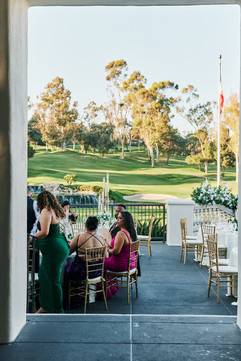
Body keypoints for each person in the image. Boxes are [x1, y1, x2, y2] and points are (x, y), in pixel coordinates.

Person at [29, 191, 70, 313]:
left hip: (53, 250)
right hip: (58, 247)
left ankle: (52, 308)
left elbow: (45, 232)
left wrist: (31, 239)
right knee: (49, 277)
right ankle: (49, 307)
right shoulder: (55, 211)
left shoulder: (46, 211)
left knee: (50, 279)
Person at [63, 216, 105, 309]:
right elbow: (105, 256)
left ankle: (71, 298)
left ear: (85, 225)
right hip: (97, 272)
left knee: (67, 269)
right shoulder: (101, 239)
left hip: (82, 272)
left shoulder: (79, 237)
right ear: (97, 226)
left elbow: (68, 252)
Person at [104, 210, 137, 299]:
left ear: (125, 220)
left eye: (120, 218)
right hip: (130, 263)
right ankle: (111, 288)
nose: (117, 220)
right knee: (105, 262)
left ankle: (105, 292)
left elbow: (116, 251)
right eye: (117, 218)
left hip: (120, 264)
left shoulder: (121, 234)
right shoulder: (129, 232)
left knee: (99, 264)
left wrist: (107, 249)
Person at [27, 187, 40, 272]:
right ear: (31, 195)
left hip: (19, 234)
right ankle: (33, 279)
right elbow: (38, 220)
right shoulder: (34, 203)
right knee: (33, 258)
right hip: (31, 234)